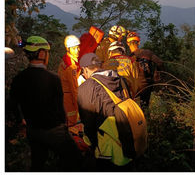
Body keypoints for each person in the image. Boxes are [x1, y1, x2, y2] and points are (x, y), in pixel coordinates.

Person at [10, 36, 82, 171]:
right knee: (74, 159)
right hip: (54, 130)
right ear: (42, 53)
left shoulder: (19, 79)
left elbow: (13, 104)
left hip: (32, 130)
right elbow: (60, 109)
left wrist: (21, 121)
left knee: (38, 162)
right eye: (47, 52)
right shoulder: (53, 78)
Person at [77, 53, 135, 170]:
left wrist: (92, 144)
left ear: (85, 69)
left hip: (107, 150)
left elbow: (88, 123)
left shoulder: (86, 87)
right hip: (128, 141)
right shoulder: (120, 80)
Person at [126, 31, 163, 106]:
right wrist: (157, 76)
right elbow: (160, 63)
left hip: (133, 87)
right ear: (139, 43)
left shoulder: (127, 58)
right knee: (145, 106)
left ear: (127, 43)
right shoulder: (147, 52)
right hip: (147, 84)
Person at [58, 34, 81, 128]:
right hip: (69, 98)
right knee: (72, 123)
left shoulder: (68, 60)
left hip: (66, 96)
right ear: (68, 49)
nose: (77, 50)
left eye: (78, 47)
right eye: (74, 48)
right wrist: (80, 108)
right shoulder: (70, 66)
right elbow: (74, 89)